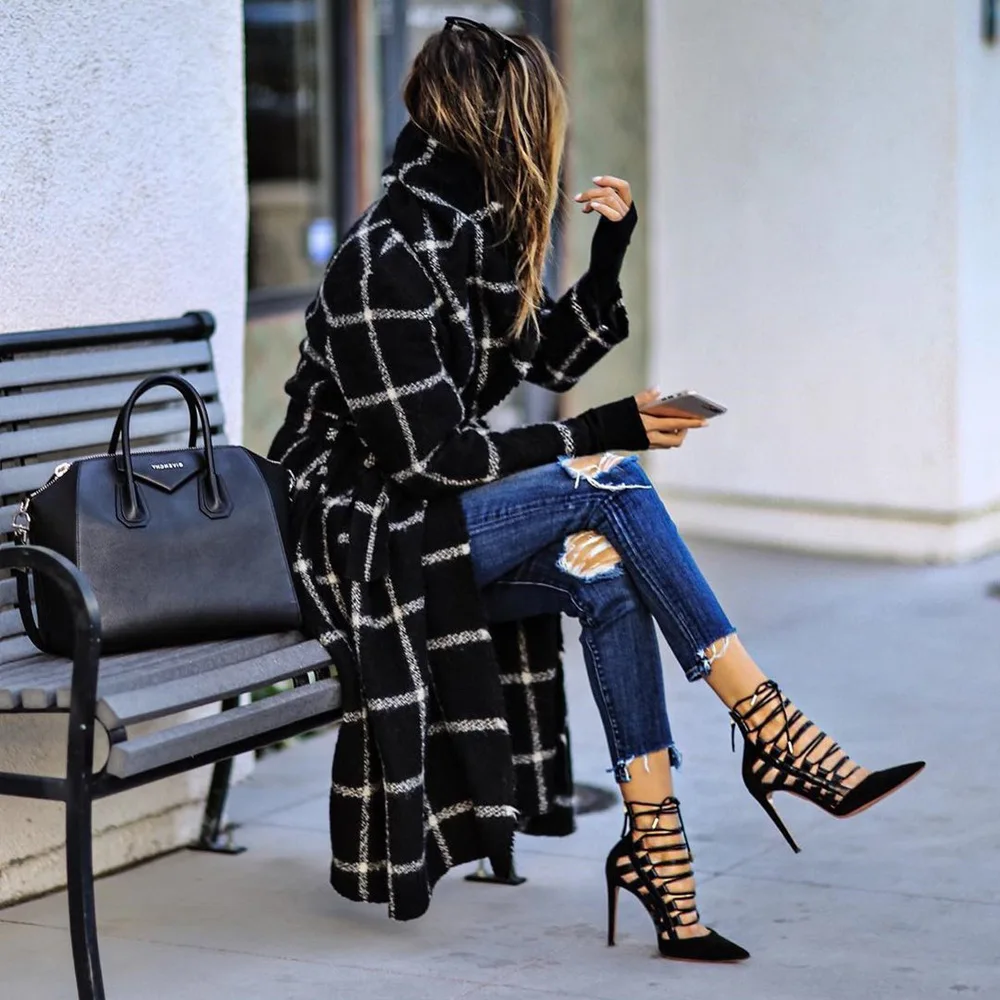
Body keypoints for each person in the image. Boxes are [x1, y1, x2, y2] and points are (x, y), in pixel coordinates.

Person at [268, 17, 923, 964]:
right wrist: (602, 431)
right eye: (536, 120)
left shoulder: (469, 231)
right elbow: (432, 458)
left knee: (603, 567)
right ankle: (771, 728)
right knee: (608, 473)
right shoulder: (383, 261)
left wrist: (611, 251)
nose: (548, 142)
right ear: (494, 123)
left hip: (422, 510)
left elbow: (541, 357)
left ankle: (657, 855)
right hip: (356, 530)